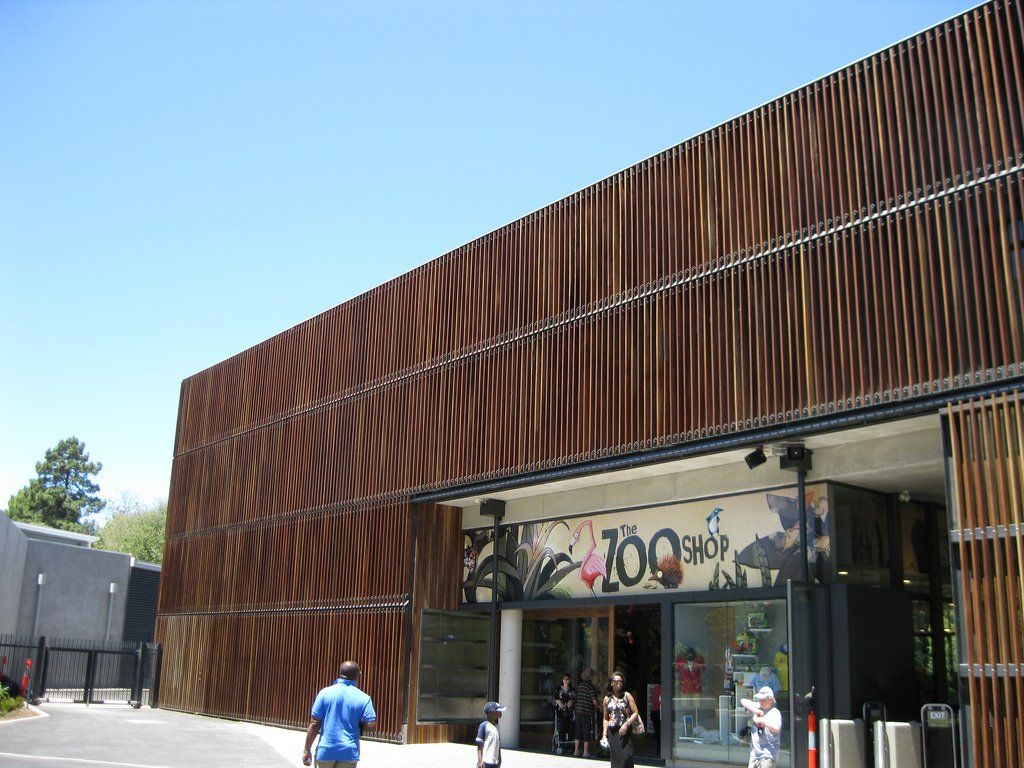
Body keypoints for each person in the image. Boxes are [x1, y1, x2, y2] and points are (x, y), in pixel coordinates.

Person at [303, 661, 377, 767]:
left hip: (326, 751)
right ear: (358, 676)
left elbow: (314, 723)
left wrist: (307, 750)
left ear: (340, 673)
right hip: (349, 752)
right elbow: (371, 725)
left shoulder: (324, 693)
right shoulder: (364, 698)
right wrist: (358, 726)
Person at [601, 671, 639, 768]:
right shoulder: (607, 699)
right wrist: (604, 735)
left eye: (621, 681)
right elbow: (606, 718)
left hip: (625, 731)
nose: (619, 683)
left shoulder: (627, 696)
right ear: (611, 683)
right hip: (613, 732)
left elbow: (635, 712)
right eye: (617, 681)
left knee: (626, 758)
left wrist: (627, 724)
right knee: (616, 760)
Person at [744, 686, 782, 768]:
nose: (761, 701)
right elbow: (743, 701)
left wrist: (762, 720)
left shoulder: (775, 712)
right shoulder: (757, 708)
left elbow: (776, 728)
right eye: (759, 699)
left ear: (771, 700)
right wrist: (756, 711)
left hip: (768, 755)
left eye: (764, 699)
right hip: (754, 754)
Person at [574, 667, 599, 757]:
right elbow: (594, 701)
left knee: (578, 730)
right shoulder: (591, 687)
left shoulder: (580, 685)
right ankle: (585, 752)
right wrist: (599, 706)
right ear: (591, 677)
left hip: (578, 710)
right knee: (586, 731)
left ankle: (576, 750)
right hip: (587, 711)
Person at [476, 701, 506, 768]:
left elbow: (498, 744)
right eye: (499, 711)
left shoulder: (497, 727)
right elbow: (479, 745)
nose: (501, 713)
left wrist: (499, 759)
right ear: (491, 713)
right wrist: (480, 761)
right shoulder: (484, 726)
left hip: (495, 762)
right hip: (485, 762)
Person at [553, 673, 575, 749]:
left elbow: (574, 699)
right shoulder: (558, 689)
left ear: (570, 680)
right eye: (564, 679)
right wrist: (559, 701)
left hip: (569, 712)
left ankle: (569, 744)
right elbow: (553, 699)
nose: (565, 680)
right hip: (560, 712)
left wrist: (571, 701)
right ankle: (560, 743)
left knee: (570, 727)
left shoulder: (572, 690)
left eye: (567, 679)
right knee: (561, 726)